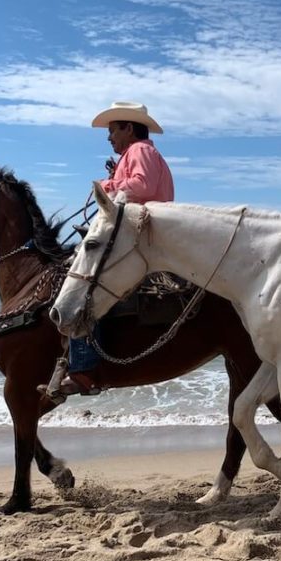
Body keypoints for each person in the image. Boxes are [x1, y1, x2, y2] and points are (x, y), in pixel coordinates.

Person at [62, 101, 175, 395]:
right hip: (142, 232)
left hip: (138, 235)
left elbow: (142, 185)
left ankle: (84, 369)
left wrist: (107, 185)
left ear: (128, 127)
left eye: (113, 131)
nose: (109, 137)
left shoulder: (140, 151)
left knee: (85, 286)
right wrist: (115, 178)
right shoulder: (140, 154)